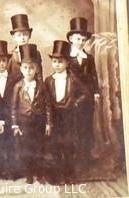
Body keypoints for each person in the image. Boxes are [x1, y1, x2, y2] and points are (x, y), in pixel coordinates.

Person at [44, 40, 88, 184]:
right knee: (55, 145)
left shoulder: (72, 78)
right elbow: (46, 101)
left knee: (68, 146)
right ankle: (59, 174)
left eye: (60, 62)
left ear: (67, 63)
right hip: (55, 117)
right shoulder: (48, 80)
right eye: (54, 61)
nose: (57, 64)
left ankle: (70, 174)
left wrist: (75, 103)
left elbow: (85, 93)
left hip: (68, 116)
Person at [11, 44, 51, 184]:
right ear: (21, 69)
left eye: (31, 68)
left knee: (39, 148)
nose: (28, 71)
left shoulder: (41, 86)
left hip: (38, 123)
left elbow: (47, 106)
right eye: (25, 68)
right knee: (27, 149)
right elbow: (14, 107)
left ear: (36, 69)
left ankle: (39, 173)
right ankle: (29, 174)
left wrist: (48, 123)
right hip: (24, 123)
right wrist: (15, 124)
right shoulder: (18, 86)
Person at [67, 17, 99, 162]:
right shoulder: (66, 57)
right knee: (73, 125)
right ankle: (74, 156)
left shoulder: (89, 57)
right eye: (78, 39)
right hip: (72, 97)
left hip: (88, 97)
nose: (81, 42)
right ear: (71, 39)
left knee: (86, 125)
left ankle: (85, 155)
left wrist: (96, 92)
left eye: (83, 40)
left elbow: (94, 75)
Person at [0, 40, 19, 179]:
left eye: (4, 60)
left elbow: (15, 101)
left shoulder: (14, 79)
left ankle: (11, 170)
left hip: (10, 116)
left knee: (11, 143)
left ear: (7, 61)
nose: (2, 64)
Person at [7, 14, 43, 81]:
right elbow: (7, 78)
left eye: (25, 34)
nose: (22, 38)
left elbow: (39, 75)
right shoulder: (10, 55)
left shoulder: (36, 53)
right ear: (14, 37)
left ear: (29, 36)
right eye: (19, 35)